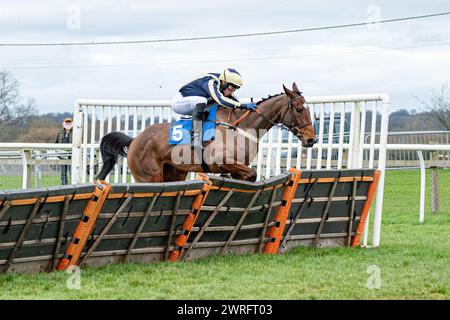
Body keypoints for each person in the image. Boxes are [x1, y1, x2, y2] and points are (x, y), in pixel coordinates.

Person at [171, 68, 257, 149]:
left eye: (234, 90)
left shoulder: (223, 85)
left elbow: (233, 101)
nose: (231, 92)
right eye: (230, 88)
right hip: (180, 102)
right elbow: (221, 100)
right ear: (224, 83)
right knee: (203, 100)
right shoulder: (211, 82)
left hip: (192, 103)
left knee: (211, 106)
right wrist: (244, 105)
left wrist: (245, 109)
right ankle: (195, 139)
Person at [55, 117, 73, 185]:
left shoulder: (76, 132)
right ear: (64, 123)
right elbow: (56, 143)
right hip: (62, 155)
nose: (68, 124)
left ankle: (73, 186)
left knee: (72, 172)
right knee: (63, 173)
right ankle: (64, 186)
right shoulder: (60, 132)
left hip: (72, 155)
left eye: (69, 122)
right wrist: (57, 152)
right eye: (67, 122)